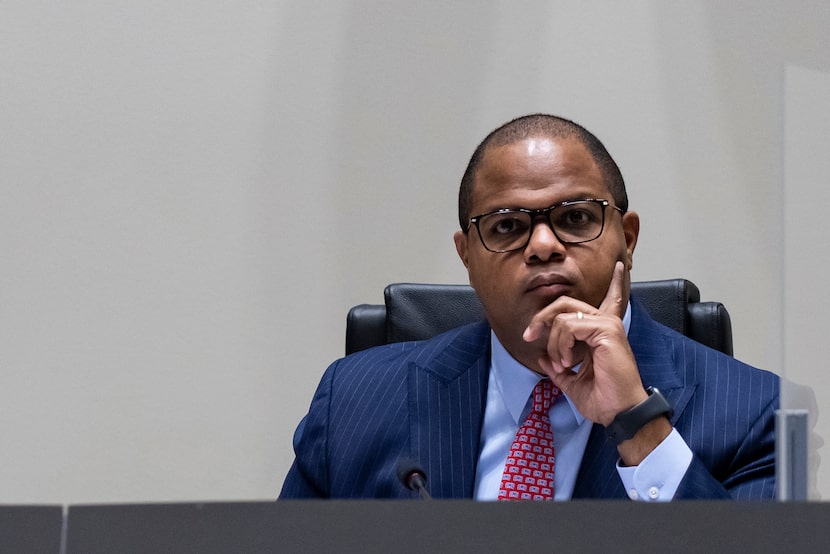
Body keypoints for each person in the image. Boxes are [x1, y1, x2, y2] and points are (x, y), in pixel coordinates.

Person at [279, 114, 778, 500]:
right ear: (467, 256)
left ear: (626, 239)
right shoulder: (353, 403)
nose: (543, 245)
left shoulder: (753, 412)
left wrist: (637, 423)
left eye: (576, 218)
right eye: (506, 226)